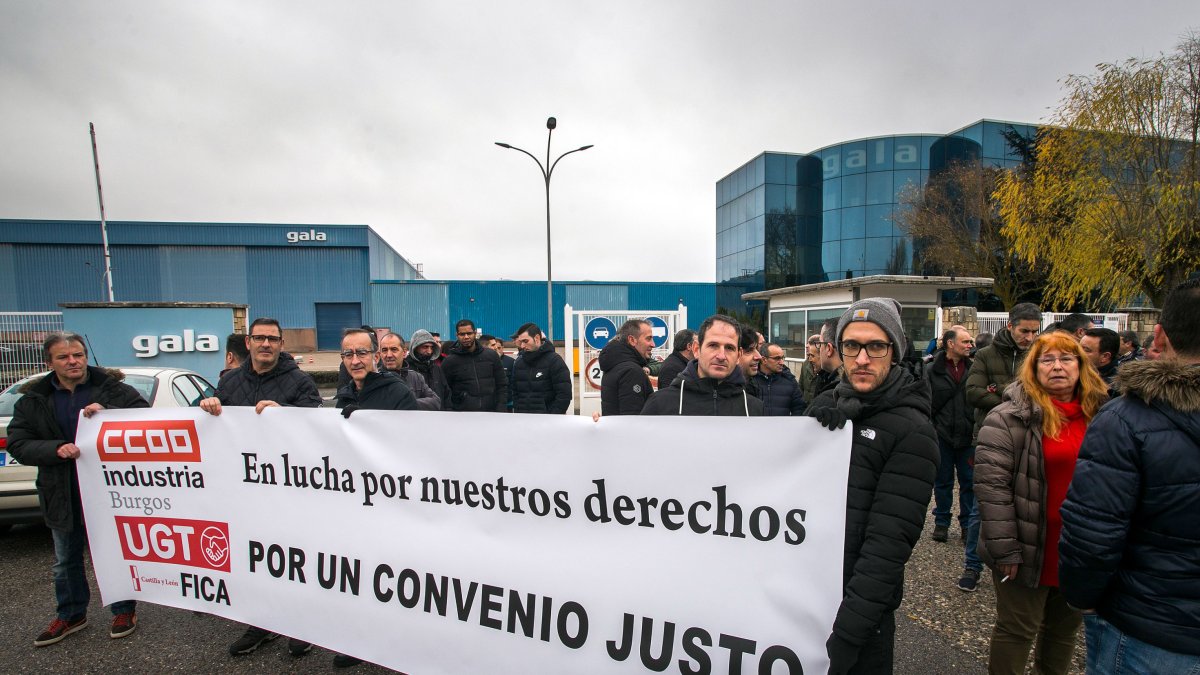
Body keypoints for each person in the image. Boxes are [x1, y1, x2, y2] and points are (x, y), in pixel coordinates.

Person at [1058, 279, 1200, 673]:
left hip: (1148, 629)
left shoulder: (1126, 418)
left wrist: (1081, 597)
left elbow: (1092, 531)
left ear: (1160, 336)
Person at [805, 298, 939, 675]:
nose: (862, 359)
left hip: (859, 619)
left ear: (894, 352)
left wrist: (850, 633)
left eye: (875, 346)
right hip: (808, 597)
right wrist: (806, 434)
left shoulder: (913, 431)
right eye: (852, 346)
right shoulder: (827, 402)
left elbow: (888, 545)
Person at [974, 331, 1108, 675]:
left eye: (1066, 359)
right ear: (1033, 369)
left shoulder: (1104, 415)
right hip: (1028, 544)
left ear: (1082, 366)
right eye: (1047, 360)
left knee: (1063, 633)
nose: (1057, 367)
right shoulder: (1008, 418)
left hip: (1079, 547)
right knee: (1017, 631)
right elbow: (992, 487)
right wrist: (1006, 550)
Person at [7, 332, 150, 647]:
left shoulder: (114, 389)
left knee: (114, 552)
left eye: (78, 355)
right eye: (63, 357)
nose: (73, 361)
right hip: (62, 490)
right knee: (65, 558)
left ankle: (124, 610)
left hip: (109, 491)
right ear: (50, 363)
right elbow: (18, 442)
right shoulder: (33, 400)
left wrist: (108, 411)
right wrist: (56, 449)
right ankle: (71, 614)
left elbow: (143, 417)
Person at [198, 317, 323, 657]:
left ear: (281, 344)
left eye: (272, 339)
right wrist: (209, 407)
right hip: (247, 492)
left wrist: (285, 413)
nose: (265, 344)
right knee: (257, 559)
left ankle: (300, 625)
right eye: (259, 338)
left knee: (294, 559)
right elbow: (216, 430)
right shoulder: (230, 382)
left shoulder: (300, 381)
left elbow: (317, 427)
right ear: (248, 343)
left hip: (290, 488)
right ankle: (262, 624)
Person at [925, 326, 983, 590]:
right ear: (950, 344)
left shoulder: (975, 369)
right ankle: (941, 521)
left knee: (970, 482)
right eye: (965, 341)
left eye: (971, 341)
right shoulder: (932, 370)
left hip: (968, 436)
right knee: (943, 480)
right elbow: (926, 401)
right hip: (942, 434)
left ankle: (967, 525)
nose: (970, 344)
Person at [641, 314, 764, 416]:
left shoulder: (754, 409)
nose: (721, 356)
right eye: (713, 345)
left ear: (738, 355)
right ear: (696, 349)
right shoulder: (660, 404)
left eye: (729, 348)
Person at [966, 303, 1042, 446]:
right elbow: (973, 392)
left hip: (1030, 434)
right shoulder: (985, 354)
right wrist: (1015, 405)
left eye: (1034, 332)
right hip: (991, 431)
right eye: (1024, 331)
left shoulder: (1040, 355)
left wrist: (997, 390)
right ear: (1010, 326)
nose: (1030, 338)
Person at [440, 319, 508, 412]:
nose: (466, 337)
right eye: (462, 334)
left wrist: (501, 407)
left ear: (475, 333)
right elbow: (445, 391)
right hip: (463, 415)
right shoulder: (449, 361)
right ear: (457, 335)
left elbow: (502, 384)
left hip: (491, 413)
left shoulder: (491, 355)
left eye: (469, 333)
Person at [509, 323, 572, 415]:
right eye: (521, 342)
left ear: (537, 338)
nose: (522, 346)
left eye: (525, 341)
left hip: (548, 422)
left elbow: (564, 395)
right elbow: (515, 392)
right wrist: (519, 412)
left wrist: (553, 416)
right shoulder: (519, 362)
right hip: (524, 421)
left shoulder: (555, 361)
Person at [598, 319, 654, 416]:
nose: (653, 344)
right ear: (632, 340)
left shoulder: (616, 364)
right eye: (648, 339)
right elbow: (632, 419)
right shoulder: (631, 371)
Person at [377, 333, 440, 410]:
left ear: (404, 353)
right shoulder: (374, 379)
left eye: (394, 349)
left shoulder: (416, 377)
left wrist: (408, 403)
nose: (389, 355)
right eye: (384, 350)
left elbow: (436, 402)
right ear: (380, 354)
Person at [751, 342, 806, 415]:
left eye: (782, 358)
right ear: (764, 360)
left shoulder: (790, 381)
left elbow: (799, 409)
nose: (782, 362)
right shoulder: (751, 380)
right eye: (777, 358)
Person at [405, 329, 451, 404]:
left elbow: (446, 393)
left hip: (439, 413)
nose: (429, 351)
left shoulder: (436, 369)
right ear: (415, 347)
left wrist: (448, 410)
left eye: (431, 347)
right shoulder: (406, 369)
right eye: (425, 347)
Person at [1080, 327, 1120, 394]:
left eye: (1086, 350)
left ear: (1105, 356)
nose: (1078, 353)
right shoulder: (1075, 371)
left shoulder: (1114, 388)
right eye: (1078, 348)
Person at [811, 318, 844, 398]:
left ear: (829, 349)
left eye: (820, 343)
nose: (819, 348)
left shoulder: (832, 397)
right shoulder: (825, 378)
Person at [799, 333, 823, 405]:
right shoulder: (805, 364)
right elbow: (800, 387)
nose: (806, 347)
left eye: (808, 345)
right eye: (807, 344)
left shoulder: (827, 369)